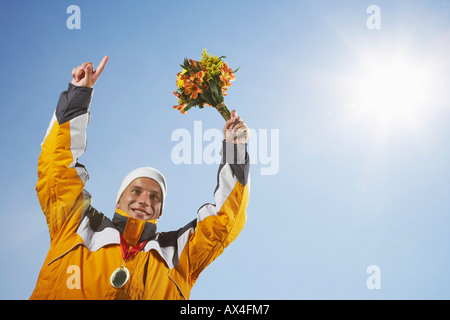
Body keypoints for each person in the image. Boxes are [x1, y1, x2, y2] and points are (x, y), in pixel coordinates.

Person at [30, 56, 250, 300]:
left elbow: (224, 222)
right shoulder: (76, 226)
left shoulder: (178, 256)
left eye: (155, 197)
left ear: (160, 210)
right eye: (136, 191)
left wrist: (235, 150)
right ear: (118, 199)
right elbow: (55, 171)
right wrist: (78, 97)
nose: (145, 199)